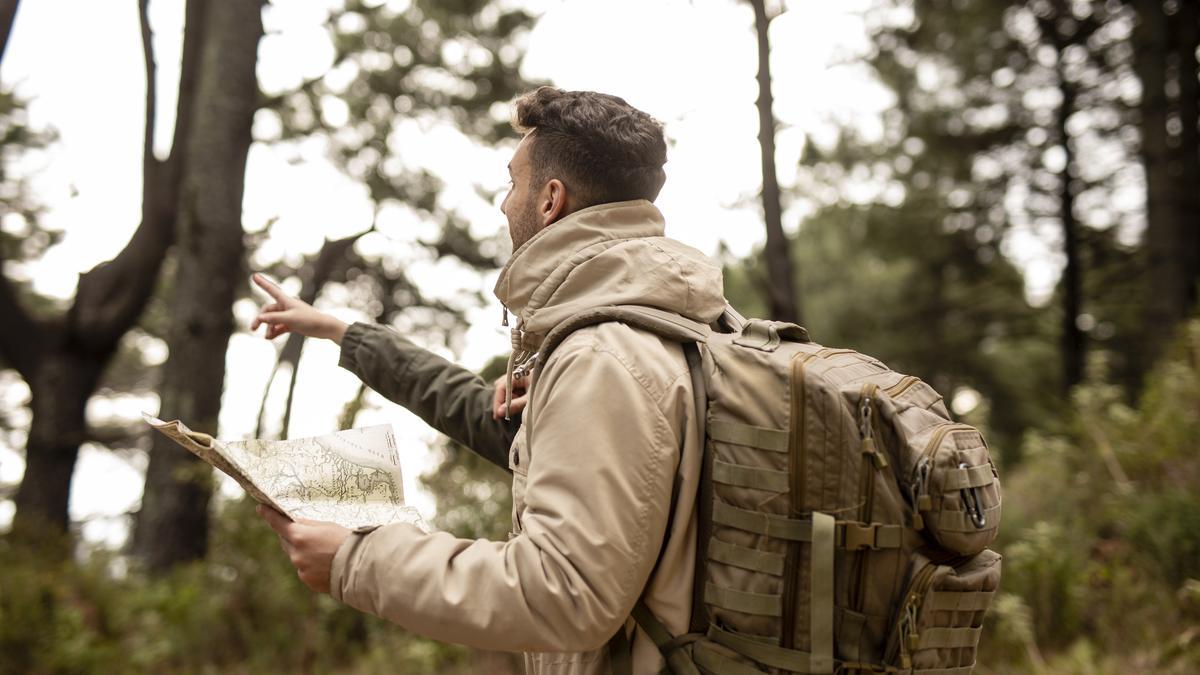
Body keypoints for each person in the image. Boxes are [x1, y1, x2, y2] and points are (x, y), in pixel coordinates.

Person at [250, 86, 727, 674]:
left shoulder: (602, 357)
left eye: (512, 182)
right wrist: (340, 330)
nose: (505, 204)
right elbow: (486, 419)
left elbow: (563, 591)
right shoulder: (676, 327)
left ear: (550, 199)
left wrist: (356, 561)